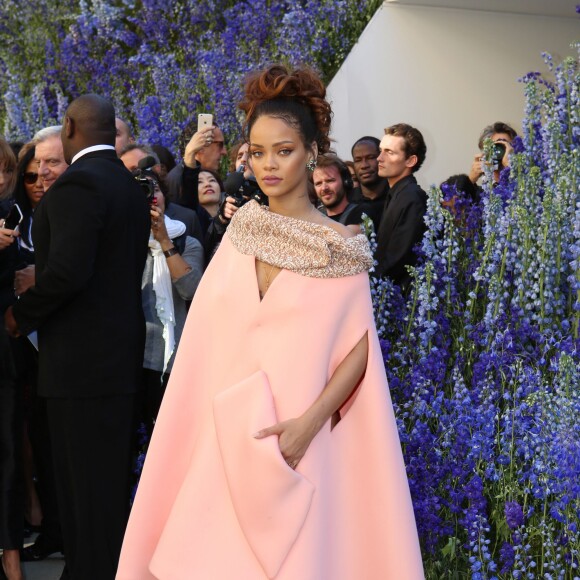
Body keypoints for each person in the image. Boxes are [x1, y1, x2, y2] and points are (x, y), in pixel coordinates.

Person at [117, 64, 424, 580]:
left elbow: (358, 350)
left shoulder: (342, 246)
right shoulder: (241, 233)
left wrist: (307, 427)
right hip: (225, 433)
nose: (268, 165)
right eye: (257, 152)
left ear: (310, 153)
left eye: (283, 151)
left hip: (300, 436)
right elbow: (209, 341)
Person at [5, 94, 150, 580]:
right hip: (117, 361)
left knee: (81, 486)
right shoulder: (130, 187)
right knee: (105, 485)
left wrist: (18, 315)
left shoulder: (77, 187)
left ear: (70, 129)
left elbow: (68, 274)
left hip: (78, 367)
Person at [139, 169, 204, 434]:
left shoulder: (187, 242)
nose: (150, 196)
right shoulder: (120, 242)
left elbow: (191, 290)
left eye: (154, 189)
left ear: (165, 197)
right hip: (134, 356)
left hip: (176, 357)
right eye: (142, 192)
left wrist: (164, 240)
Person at [0, 138, 24, 580]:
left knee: (6, 452)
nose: (1, 179)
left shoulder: (14, 215)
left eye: (6, 170)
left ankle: (10, 554)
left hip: (3, 351)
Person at [374, 123, 428, 289]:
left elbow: (399, 258)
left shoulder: (412, 198)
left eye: (389, 152)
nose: (379, 158)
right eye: (381, 150)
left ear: (410, 160)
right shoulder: (396, 195)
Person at [119, 144, 203, 243]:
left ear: (157, 168)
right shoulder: (117, 220)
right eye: (131, 171)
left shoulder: (187, 218)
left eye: (142, 168)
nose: (139, 175)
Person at [312, 153, 364, 232]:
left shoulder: (361, 213)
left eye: (330, 181)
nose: (324, 188)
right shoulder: (315, 219)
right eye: (318, 183)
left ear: (345, 181)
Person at [350, 136, 390, 229]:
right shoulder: (347, 202)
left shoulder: (398, 198)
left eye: (370, 158)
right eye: (358, 160)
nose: (364, 165)